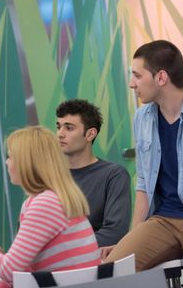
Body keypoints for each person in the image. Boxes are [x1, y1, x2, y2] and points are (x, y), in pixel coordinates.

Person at [104, 40, 183, 270]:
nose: (131, 84)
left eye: (137, 75)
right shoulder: (142, 117)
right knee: (114, 272)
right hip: (163, 220)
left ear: (161, 78)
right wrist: (133, 238)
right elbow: (143, 183)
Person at [0, 126, 101, 288]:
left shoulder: (45, 204)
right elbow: (25, 266)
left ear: (26, 163)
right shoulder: (57, 197)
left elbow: (8, 270)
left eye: (10, 156)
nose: (7, 162)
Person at [56, 99, 131, 247]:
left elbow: (114, 233)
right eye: (58, 127)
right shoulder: (51, 177)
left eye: (69, 128)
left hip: (94, 262)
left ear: (90, 134)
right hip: (54, 262)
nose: (60, 134)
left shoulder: (114, 175)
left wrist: (63, 250)